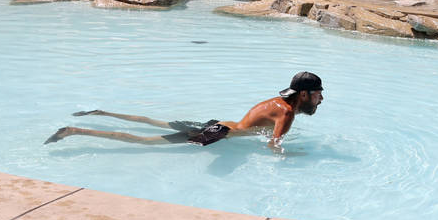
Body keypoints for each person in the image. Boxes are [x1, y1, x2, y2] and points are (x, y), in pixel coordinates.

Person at [44, 72, 324, 151]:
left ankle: (102, 112)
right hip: (217, 132)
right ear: (303, 94)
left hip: (219, 123)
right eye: (317, 93)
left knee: (156, 122)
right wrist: (300, 155)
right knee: (142, 142)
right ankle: (74, 131)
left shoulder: (276, 103)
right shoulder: (286, 114)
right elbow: (275, 147)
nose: (321, 99)